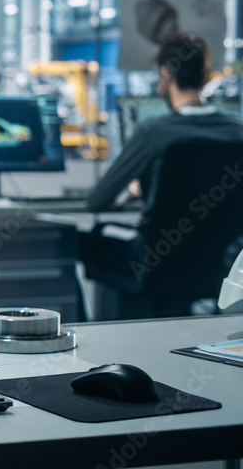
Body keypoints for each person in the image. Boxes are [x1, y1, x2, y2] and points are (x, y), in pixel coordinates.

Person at [80, 33, 243, 306]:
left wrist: (138, 190)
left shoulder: (155, 131)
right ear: (205, 77)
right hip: (218, 267)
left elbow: (97, 200)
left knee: (86, 245)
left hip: (154, 264)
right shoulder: (238, 133)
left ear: (165, 74)